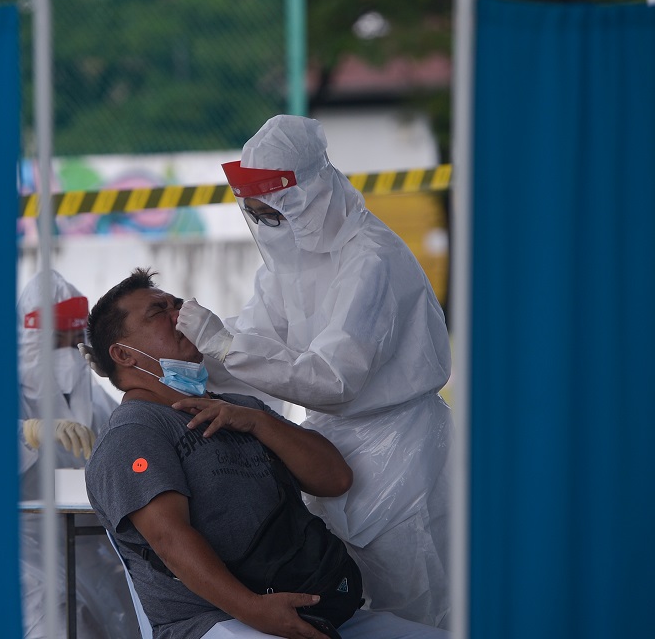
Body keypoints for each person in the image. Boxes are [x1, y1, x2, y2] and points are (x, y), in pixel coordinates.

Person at [174, 115, 453, 628]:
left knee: (416, 605)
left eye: (275, 213)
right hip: (326, 448)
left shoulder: (370, 260)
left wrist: (223, 344)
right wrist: (187, 358)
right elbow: (260, 351)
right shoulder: (286, 266)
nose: (269, 227)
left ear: (310, 194)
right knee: (349, 606)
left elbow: (332, 380)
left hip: (402, 451)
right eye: (257, 216)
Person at [83, 268, 448, 639]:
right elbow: (170, 539)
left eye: (177, 304)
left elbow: (335, 478)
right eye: (158, 312)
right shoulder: (134, 432)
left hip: (317, 605)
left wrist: (259, 423)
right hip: (217, 621)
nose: (180, 314)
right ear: (123, 354)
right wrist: (254, 610)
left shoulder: (239, 408)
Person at [17, 270, 139, 639]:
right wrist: (28, 432)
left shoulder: (91, 395)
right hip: (25, 549)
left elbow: (127, 441)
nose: (67, 355)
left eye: (75, 342)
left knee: (123, 620)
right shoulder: (1, 391)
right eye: (55, 341)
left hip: (89, 544)